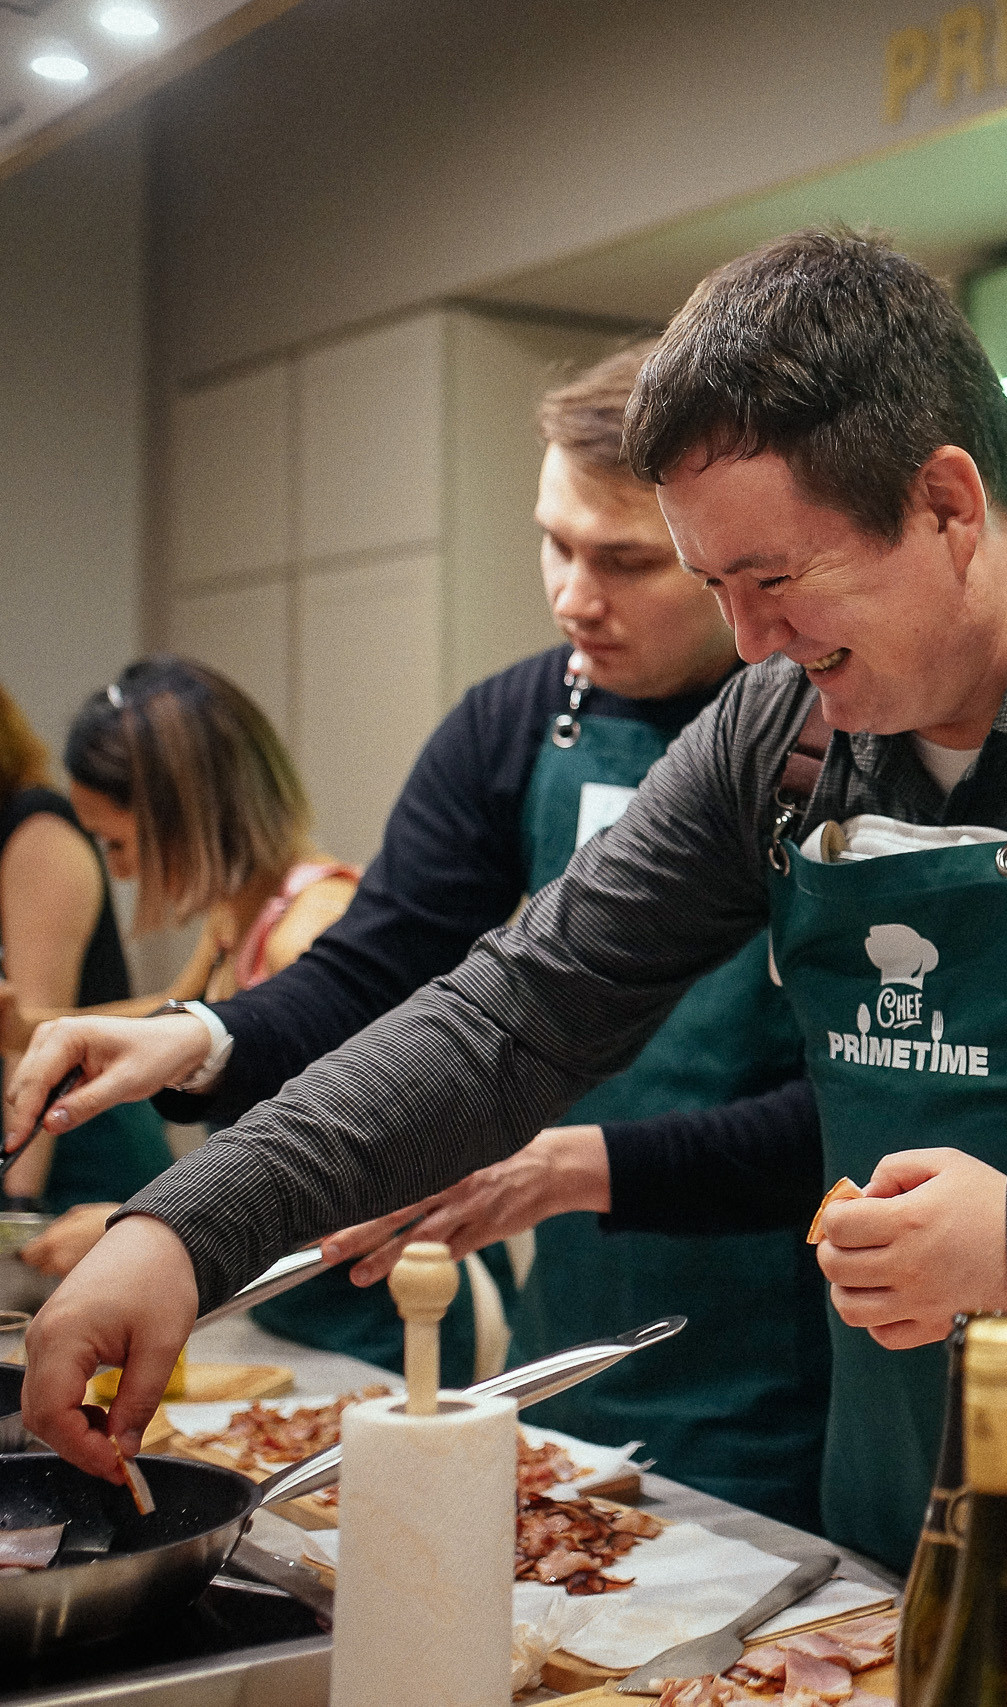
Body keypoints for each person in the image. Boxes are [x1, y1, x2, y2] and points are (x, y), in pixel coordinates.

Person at [11, 226, 1007, 1707]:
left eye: (773, 579)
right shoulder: (788, 728)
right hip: (892, 1552)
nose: (745, 643)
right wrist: (183, 1233)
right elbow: (518, 1009)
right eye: (714, 585)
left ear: (945, 502)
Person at [11, 345, 834, 1527]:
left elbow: (866, 1097)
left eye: (625, 560)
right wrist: (197, 1037)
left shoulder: (830, 728)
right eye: (554, 544)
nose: (572, 596)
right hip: (576, 1329)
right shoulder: (513, 723)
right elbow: (385, 979)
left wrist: (574, 1167)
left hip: (798, 1344)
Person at [2, 658, 353, 1252]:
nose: (118, 871)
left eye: (116, 843)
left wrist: (142, 1221)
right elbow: (167, 1022)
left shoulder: (306, 933)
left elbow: (347, 1167)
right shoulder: (232, 920)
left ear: (186, 819)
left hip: (363, 1289)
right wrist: (27, 1028)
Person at [0, 681, 172, 1226]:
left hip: (74, 1141)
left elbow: (31, 1052)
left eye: (116, 844)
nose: (120, 869)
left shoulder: (36, 829)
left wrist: (17, 1207)